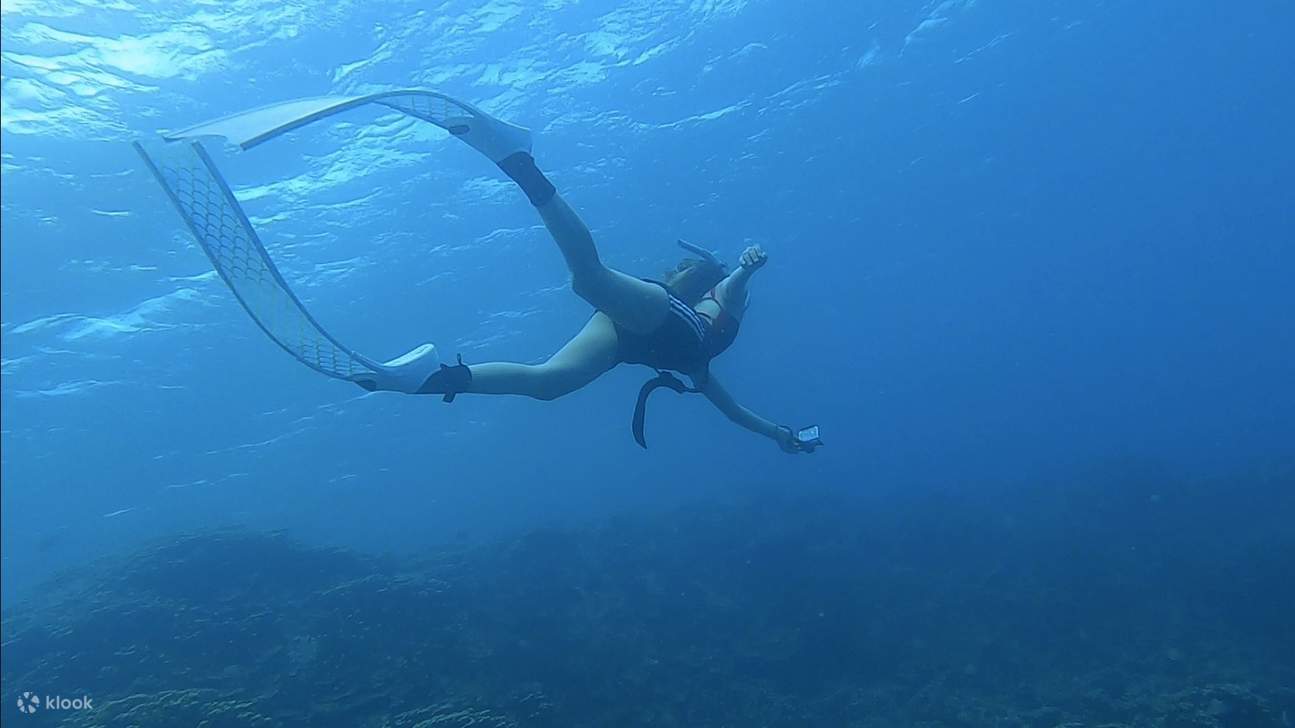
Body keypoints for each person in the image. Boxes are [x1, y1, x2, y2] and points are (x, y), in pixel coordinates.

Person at [361, 110, 818, 454]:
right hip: (664, 322)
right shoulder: (720, 302)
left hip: (629, 342)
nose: (678, 271)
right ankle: (519, 160)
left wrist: (781, 435)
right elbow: (736, 284)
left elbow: (734, 411)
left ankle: (429, 379)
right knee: (590, 281)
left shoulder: (699, 368)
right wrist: (748, 266)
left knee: (549, 383)